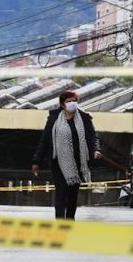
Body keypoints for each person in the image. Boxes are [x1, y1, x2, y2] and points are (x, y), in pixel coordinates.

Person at [31, 91, 101, 220]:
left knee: (72, 195)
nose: (72, 103)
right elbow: (45, 140)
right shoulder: (54, 119)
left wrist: (96, 149)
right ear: (62, 104)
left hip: (78, 162)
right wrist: (36, 161)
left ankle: (69, 219)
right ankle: (59, 221)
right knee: (61, 193)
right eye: (69, 101)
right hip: (58, 162)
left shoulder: (85, 117)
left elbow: (93, 136)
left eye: (74, 100)